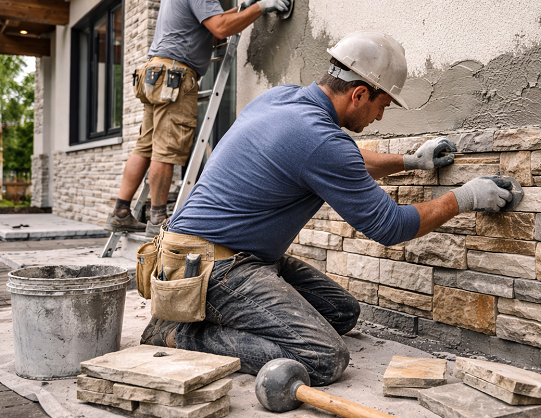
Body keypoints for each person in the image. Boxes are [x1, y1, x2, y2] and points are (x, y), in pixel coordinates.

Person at [141, 31, 513, 386]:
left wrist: (410, 161)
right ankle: (178, 333)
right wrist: (464, 199)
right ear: (360, 93)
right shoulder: (320, 139)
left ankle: (223, 319)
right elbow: (391, 226)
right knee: (322, 357)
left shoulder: (284, 99)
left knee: (341, 312)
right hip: (212, 267)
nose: (379, 118)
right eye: (381, 106)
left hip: (219, 254)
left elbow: (338, 157)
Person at [105, 0, 290, 236]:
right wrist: (262, 8)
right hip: (175, 78)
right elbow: (219, 28)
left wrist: (244, 7)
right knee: (166, 149)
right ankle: (157, 220)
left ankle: (122, 211)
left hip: (155, 74)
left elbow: (211, 19)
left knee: (146, 147)